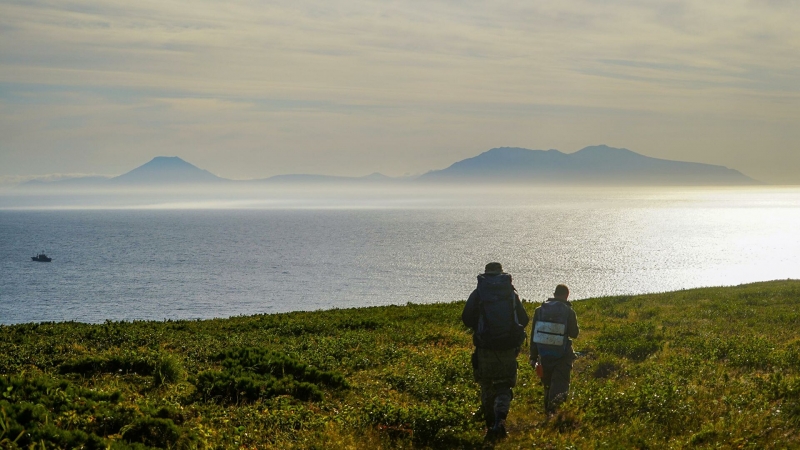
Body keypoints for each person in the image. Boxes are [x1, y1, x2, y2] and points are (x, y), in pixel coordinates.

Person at [462, 262, 529, 440]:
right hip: (507, 348)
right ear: (501, 273)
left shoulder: (478, 293)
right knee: (503, 386)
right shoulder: (511, 294)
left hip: (484, 348)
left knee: (486, 386)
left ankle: (489, 427)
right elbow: (524, 319)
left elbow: (466, 319)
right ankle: (500, 422)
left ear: (486, 274)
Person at [529, 284, 579, 415]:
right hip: (562, 356)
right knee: (560, 385)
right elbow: (574, 333)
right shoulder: (569, 311)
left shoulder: (539, 310)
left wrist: (533, 357)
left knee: (547, 385)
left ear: (554, 293)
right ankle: (555, 415)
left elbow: (534, 335)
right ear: (566, 295)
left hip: (544, 355)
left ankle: (547, 412)